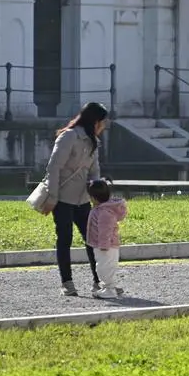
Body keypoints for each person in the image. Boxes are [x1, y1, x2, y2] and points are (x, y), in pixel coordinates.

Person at [42, 101, 109, 296]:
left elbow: (94, 170)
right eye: (102, 122)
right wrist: (53, 197)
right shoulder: (68, 137)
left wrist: (98, 193)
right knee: (65, 239)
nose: (104, 126)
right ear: (95, 121)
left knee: (92, 239)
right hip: (62, 197)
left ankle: (99, 281)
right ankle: (67, 282)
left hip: (83, 199)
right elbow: (53, 167)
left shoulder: (93, 141)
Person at [86, 178, 128, 299]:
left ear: (94, 197)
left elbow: (105, 231)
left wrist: (103, 245)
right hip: (103, 245)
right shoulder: (102, 209)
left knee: (104, 268)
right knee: (104, 267)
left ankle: (110, 289)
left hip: (106, 246)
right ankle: (108, 287)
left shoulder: (104, 212)